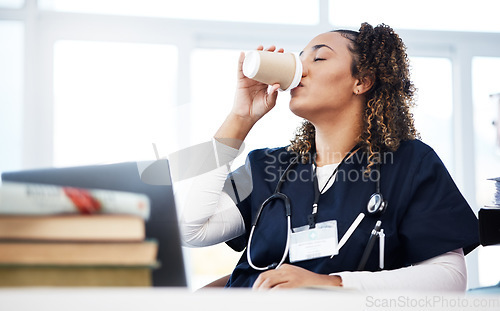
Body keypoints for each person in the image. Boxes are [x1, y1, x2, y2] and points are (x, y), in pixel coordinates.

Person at [175, 22, 479, 290]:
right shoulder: (267, 166)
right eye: (299, 59)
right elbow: (192, 229)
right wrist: (240, 118)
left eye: (319, 57)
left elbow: (449, 279)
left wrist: (332, 284)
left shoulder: (409, 164)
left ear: (361, 81)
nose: (300, 69)